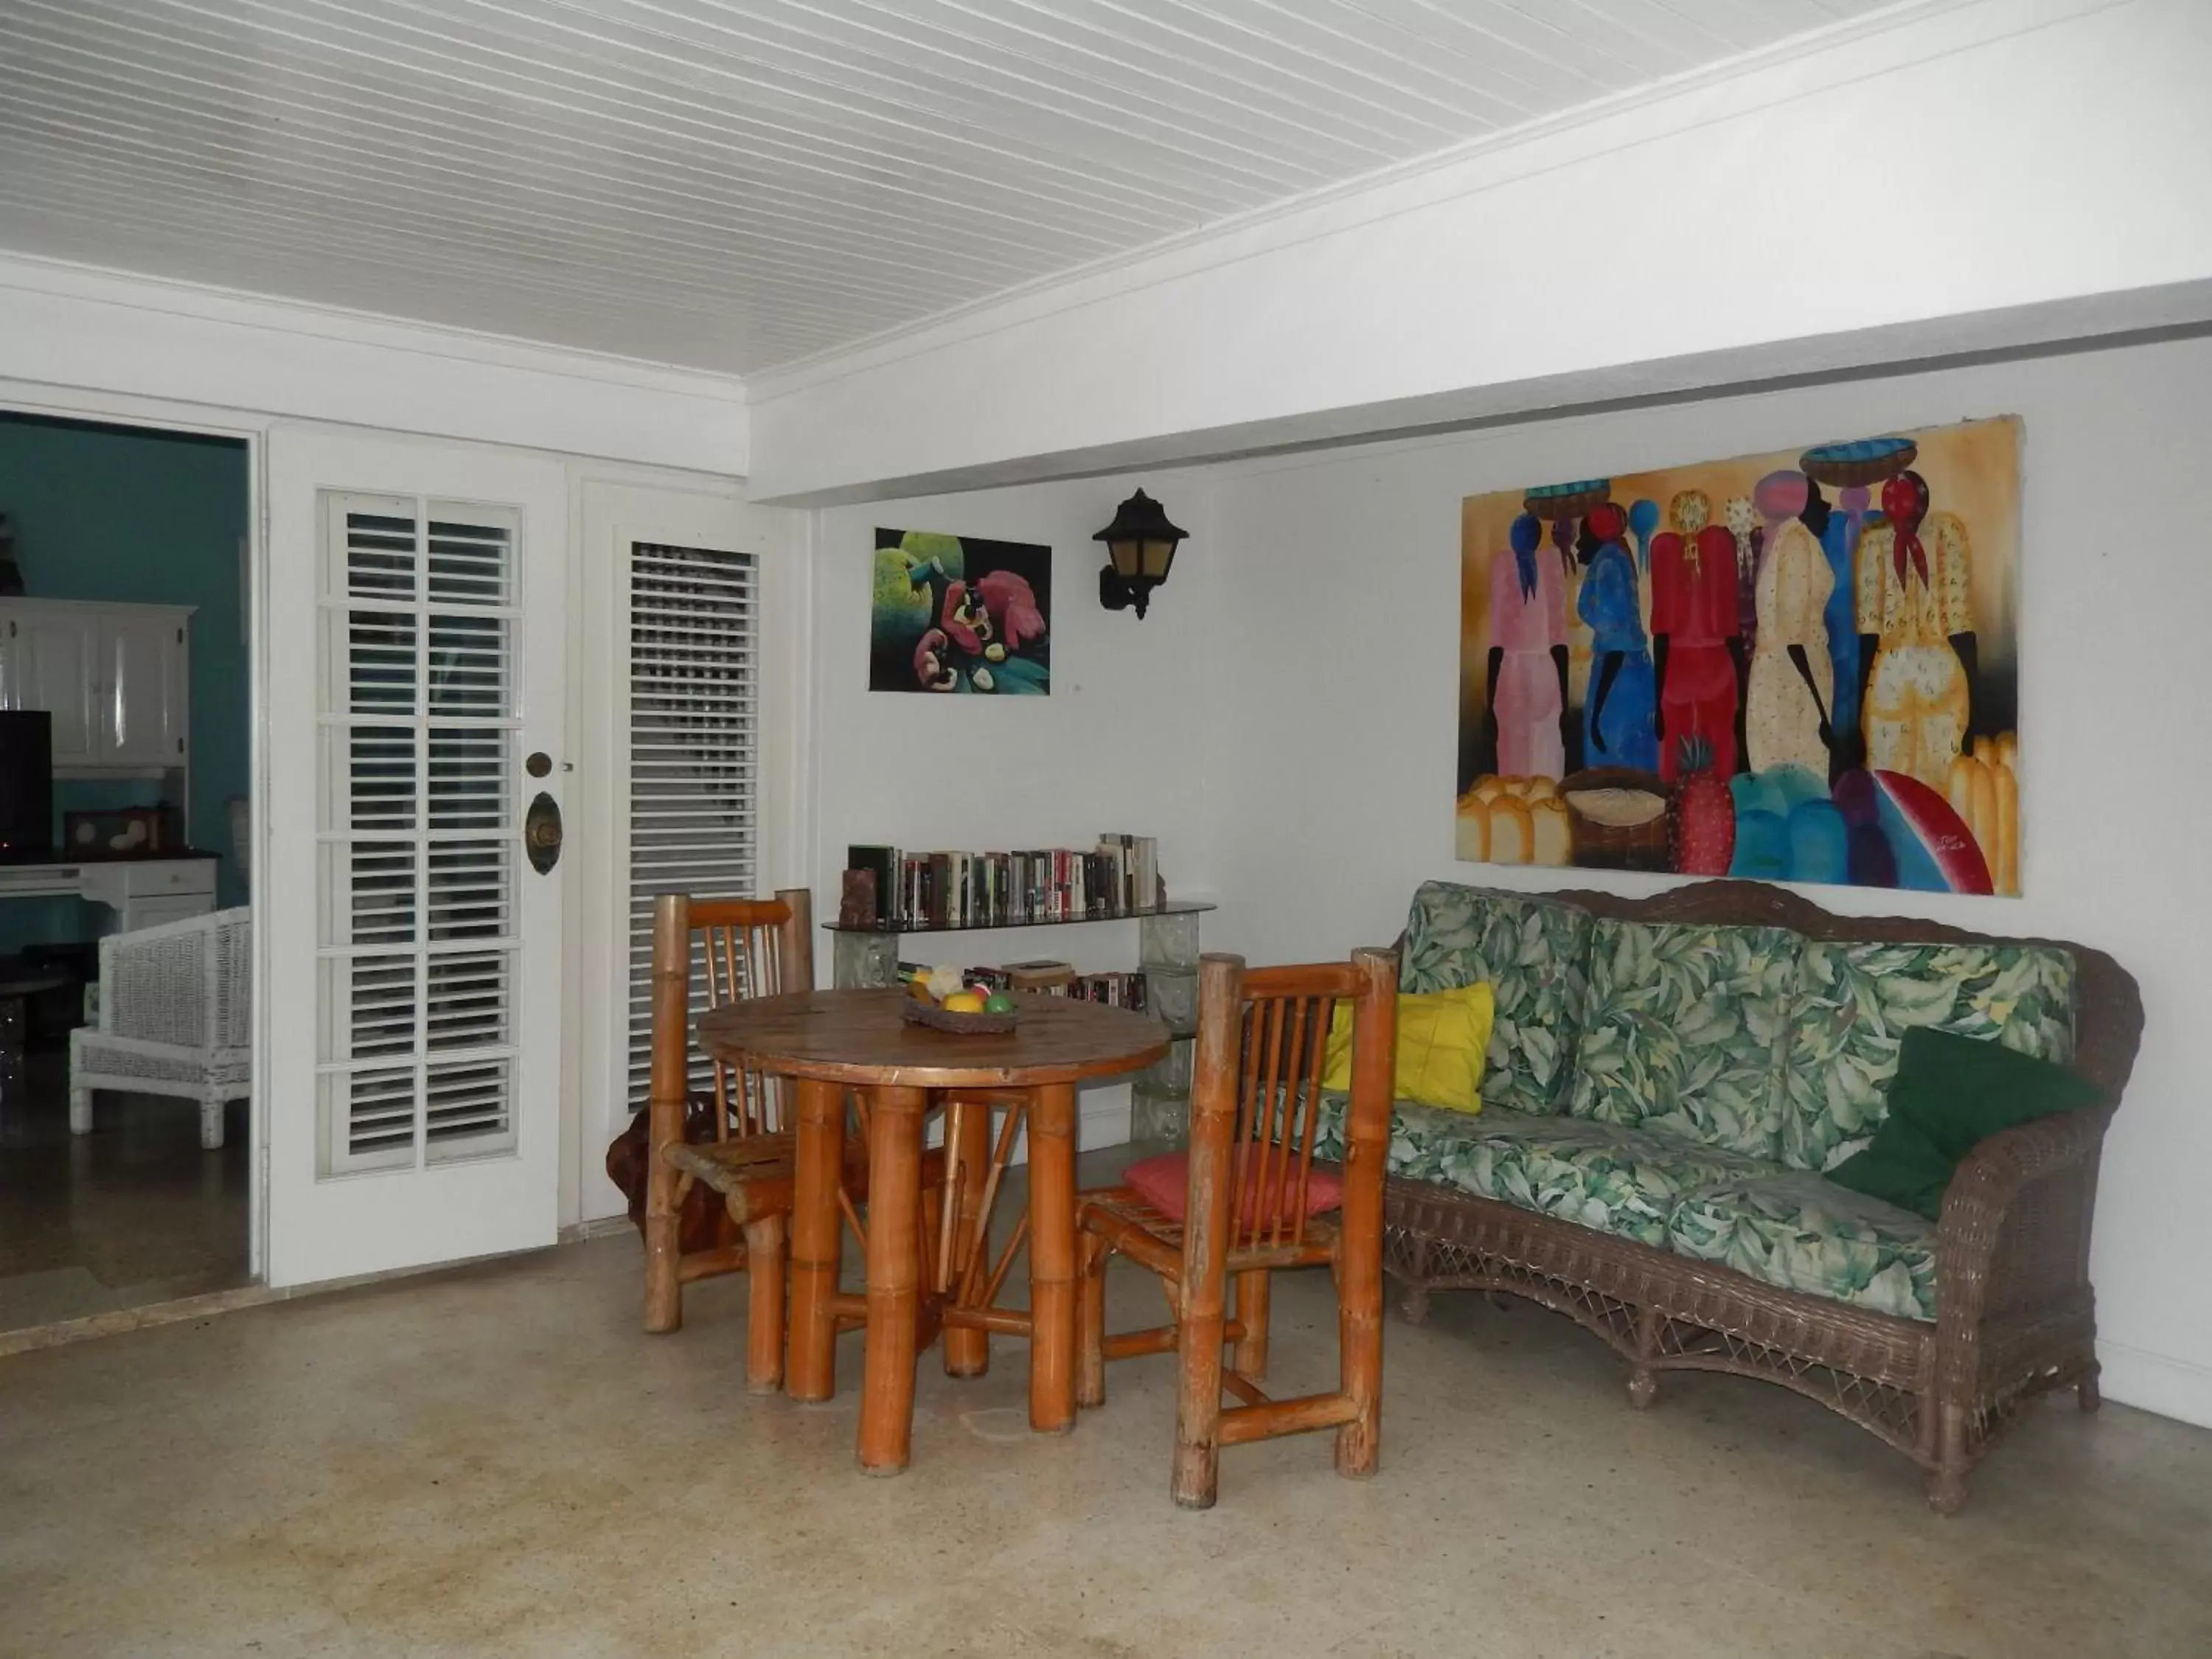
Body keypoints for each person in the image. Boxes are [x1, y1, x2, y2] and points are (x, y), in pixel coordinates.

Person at [1856, 470, 1975, 789]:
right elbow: (1960, 623)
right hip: (1910, 673)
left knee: (1927, 777)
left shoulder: (1941, 536)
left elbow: (1959, 624)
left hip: (1912, 673)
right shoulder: (1879, 543)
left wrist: (1977, 708)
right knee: (1911, 779)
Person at [1744, 471, 1837, 776]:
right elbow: (1793, 636)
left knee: (1777, 770)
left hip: (1779, 674)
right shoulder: (1797, 540)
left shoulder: (1782, 537)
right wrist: (1821, 712)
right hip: (1794, 681)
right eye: (1816, 502)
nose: (1826, 510)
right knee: (1803, 773)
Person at [1649, 490, 1745, 779]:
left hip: (1677, 671)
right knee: (1721, 744)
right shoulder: (1720, 547)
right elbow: (1732, 632)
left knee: (1673, 749)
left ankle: (1676, 811)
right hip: (1717, 666)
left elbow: (1661, 635)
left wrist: (1657, 700)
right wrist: (1743, 687)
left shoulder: (1663, 550)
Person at [1486, 512, 1570, 779]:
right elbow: (1559, 642)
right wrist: (1564, 700)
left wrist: (1489, 704)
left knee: (1514, 748)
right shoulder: (1550, 565)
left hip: (1511, 673)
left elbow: (1496, 644)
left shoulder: (1503, 566)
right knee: (1545, 746)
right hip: (1545, 671)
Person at [1576, 502, 1658, 771]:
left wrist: (1597, 713)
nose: (1578, 544)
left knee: (1614, 761)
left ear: (1597, 535)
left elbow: (1616, 643)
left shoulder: (1608, 564)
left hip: (1619, 680)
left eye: (1583, 536)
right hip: (1632, 672)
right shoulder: (1617, 557)